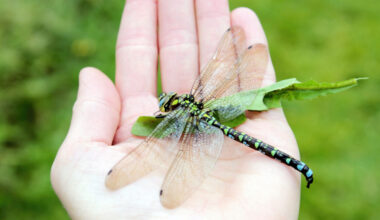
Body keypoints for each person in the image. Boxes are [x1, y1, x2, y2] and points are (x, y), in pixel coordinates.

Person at [51, 0, 301, 219]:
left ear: (171, 107)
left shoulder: (181, 119)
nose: (166, 103)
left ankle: (294, 165)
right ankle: (294, 165)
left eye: (167, 103)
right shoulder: (197, 100)